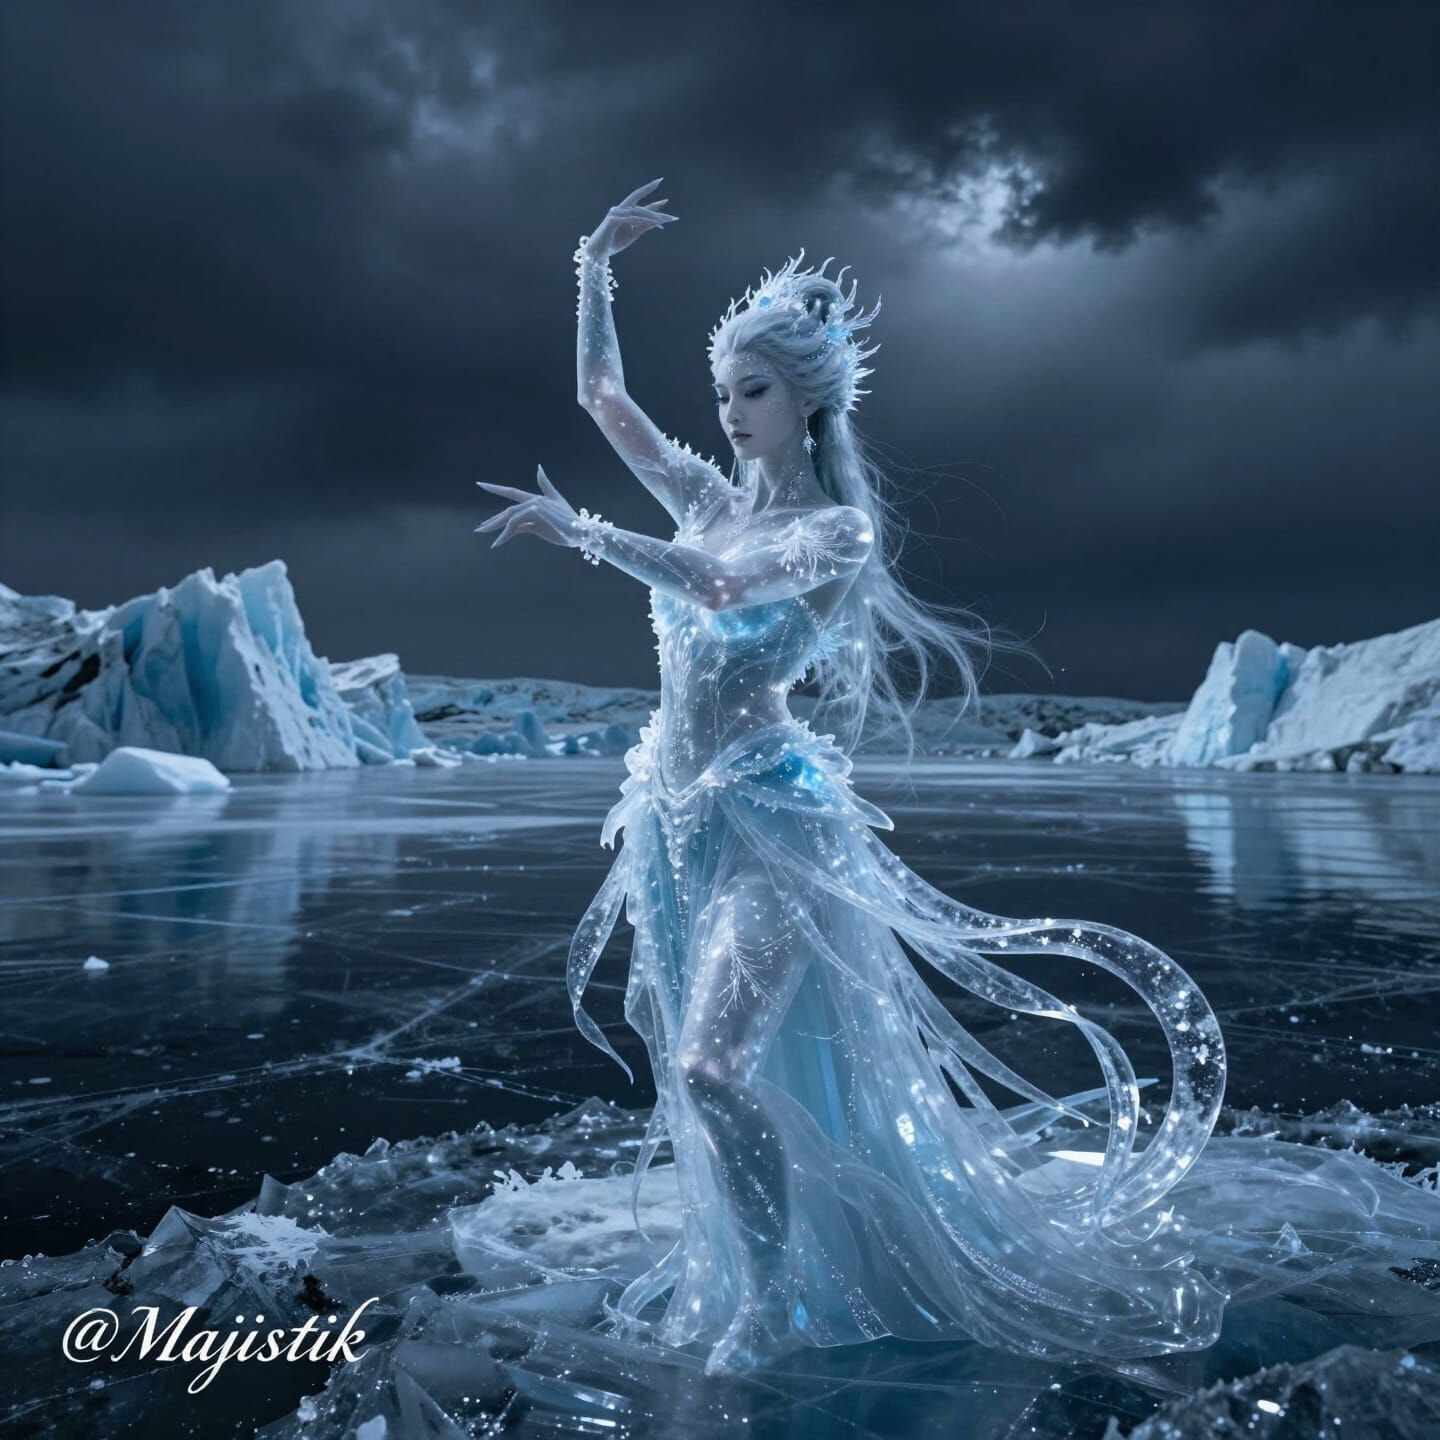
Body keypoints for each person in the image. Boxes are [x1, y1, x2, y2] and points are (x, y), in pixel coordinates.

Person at [475, 181, 1439, 1379]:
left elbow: (717, 591)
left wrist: (584, 534)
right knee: (715, 1079)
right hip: (676, 826)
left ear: (807, 398)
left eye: (752, 391)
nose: (729, 414)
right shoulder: (712, 504)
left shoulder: (834, 532)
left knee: (713, 1070)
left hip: (775, 821)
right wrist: (591, 266)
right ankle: (769, 1276)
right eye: (723, 392)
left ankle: (762, 1311)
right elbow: (604, 400)